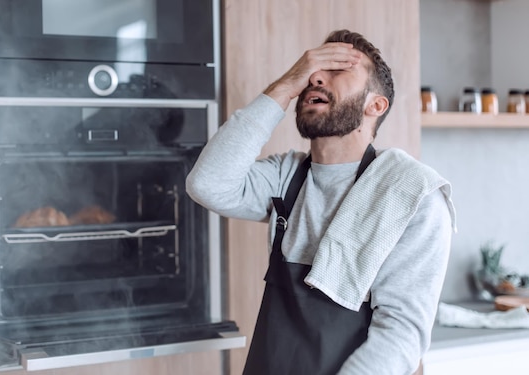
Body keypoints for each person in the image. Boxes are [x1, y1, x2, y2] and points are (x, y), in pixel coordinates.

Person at [185, 29, 456, 375]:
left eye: (338, 69)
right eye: (313, 69)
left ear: (375, 105)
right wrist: (284, 86)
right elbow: (207, 184)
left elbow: (401, 334)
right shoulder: (286, 176)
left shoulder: (411, 195)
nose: (315, 77)